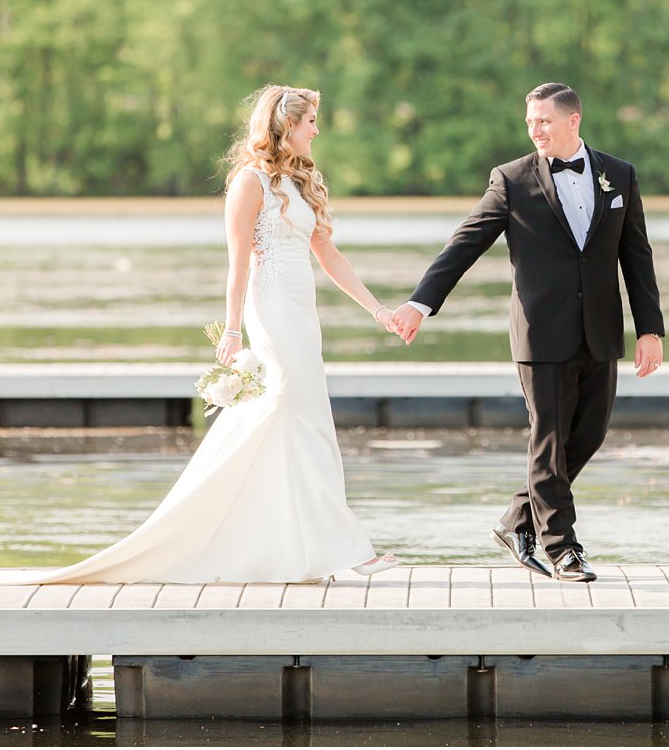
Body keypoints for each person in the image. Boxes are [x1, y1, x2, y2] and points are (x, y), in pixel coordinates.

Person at [39, 84, 400, 583]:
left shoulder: (300, 182)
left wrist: (378, 310)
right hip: (272, 311)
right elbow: (238, 263)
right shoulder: (249, 182)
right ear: (285, 126)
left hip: (303, 313)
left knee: (297, 418)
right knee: (307, 417)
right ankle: (346, 547)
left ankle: (296, 547)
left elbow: (330, 256)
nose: (317, 130)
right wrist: (232, 329)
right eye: (310, 121)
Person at [391, 83, 664, 583]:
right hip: (541, 333)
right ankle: (563, 549)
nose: (535, 130)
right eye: (530, 122)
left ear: (573, 120)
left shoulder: (618, 174)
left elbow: (636, 255)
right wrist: (420, 302)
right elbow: (466, 242)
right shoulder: (512, 179)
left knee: (588, 435)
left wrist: (651, 329)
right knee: (549, 438)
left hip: (600, 330)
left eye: (544, 121)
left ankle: (516, 519)